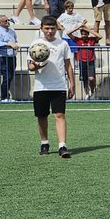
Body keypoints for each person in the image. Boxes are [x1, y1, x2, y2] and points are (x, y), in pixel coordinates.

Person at [27, 16, 75, 158]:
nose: (49, 31)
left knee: (60, 115)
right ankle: (44, 143)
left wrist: (72, 83)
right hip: (41, 86)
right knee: (42, 116)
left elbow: (68, 65)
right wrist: (35, 66)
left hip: (59, 85)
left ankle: (62, 146)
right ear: (41, 28)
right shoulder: (35, 44)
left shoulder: (63, 44)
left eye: (52, 28)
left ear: (56, 28)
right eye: (47, 28)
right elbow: (30, 66)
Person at [68, 24, 101, 100]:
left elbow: (100, 36)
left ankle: (93, 91)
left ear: (87, 34)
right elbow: (68, 34)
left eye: (85, 34)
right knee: (84, 79)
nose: (83, 35)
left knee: (91, 78)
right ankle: (87, 94)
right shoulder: (78, 40)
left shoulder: (91, 40)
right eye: (82, 34)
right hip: (82, 62)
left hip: (91, 61)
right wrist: (77, 28)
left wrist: (89, 30)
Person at [0, 14, 19, 102]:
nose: (8, 22)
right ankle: (4, 96)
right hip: (2, 57)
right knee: (7, 76)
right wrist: (9, 44)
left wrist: (16, 45)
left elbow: (15, 40)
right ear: (0, 23)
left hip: (12, 56)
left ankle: (6, 95)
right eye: (5, 21)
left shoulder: (12, 30)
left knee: (10, 76)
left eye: (8, 20)